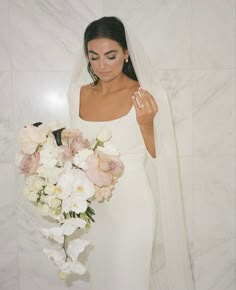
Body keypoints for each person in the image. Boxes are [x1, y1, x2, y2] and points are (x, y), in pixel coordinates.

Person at [67, 16, 195, 290]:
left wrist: (146, 123)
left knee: (129, 280)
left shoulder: (149, 94)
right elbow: (72, 148)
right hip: (87, 208)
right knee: (94, 279)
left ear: (126, 54)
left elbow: (161, 157)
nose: (101, 65)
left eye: (111, 56)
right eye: (94, 57)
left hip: (132, 207)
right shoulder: (76, 94)